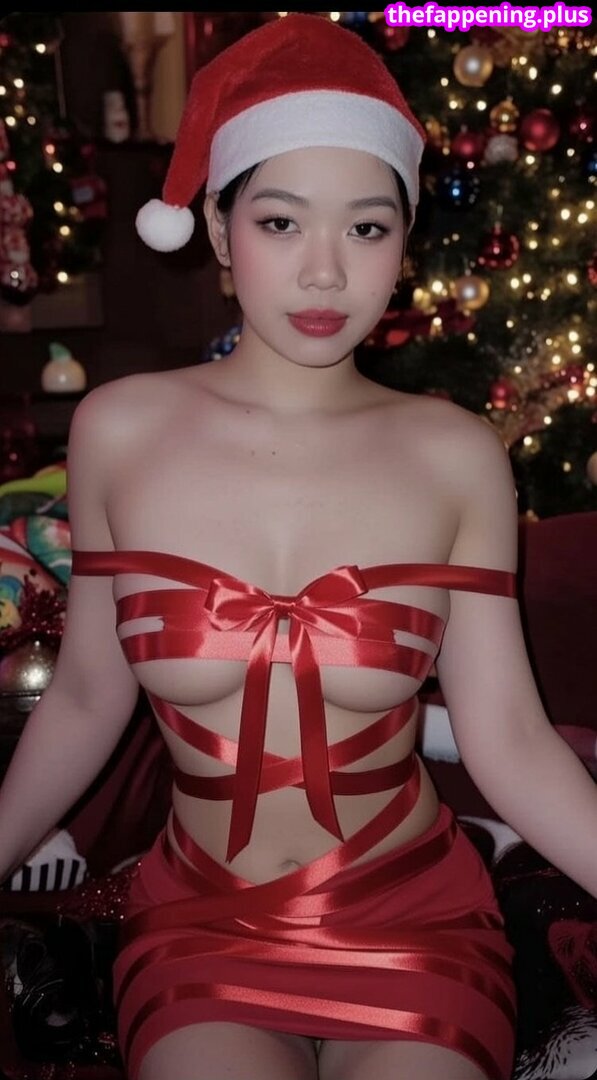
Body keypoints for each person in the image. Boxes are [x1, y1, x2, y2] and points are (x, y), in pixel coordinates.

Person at [0, 13, 595, 1080]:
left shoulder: (455, 453)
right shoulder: (119, 431)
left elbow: (509, 738)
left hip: (417, 920)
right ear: (220, 229)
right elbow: (86, 698)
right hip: (201, 925)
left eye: (367, 228)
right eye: (281, 222)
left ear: (404, 242)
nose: (325, 273)